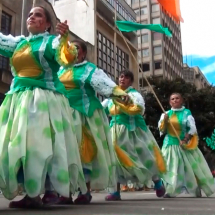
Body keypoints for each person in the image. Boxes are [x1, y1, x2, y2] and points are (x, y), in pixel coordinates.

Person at [0, 6, 87, 208]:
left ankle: (43, 191)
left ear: (48, 24)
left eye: (38, 14)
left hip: (43, 100)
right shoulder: (19, 43)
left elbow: (67, 59)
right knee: (15, 144)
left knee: (39, 145)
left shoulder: (53, 42)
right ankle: (31, 192)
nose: (31, 17)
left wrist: (65, 39)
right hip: (17, 99)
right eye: (30, 14)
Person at [57, 40, 129, 204]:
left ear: (83, 53)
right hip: (63, 113)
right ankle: (65, 192)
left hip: (85, 114)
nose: (71, 51)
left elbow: (105, 84)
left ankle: (85, 191)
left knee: (84, 151)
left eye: (76, 48)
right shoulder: (60, 70)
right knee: (64, 151)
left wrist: (118, 93)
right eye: (68, 48)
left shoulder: (90, 70)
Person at [102, 70, 166, 201]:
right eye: (121, 77)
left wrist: (125, 102)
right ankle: (115, 191)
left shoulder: (134, 94)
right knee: (115, 160)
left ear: (131, 81)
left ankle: (157, 182)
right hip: (115, 132)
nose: (122, 79)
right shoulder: (111, 97)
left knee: (145, 157)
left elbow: (140, 108)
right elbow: (101, 109)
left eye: (126, 78)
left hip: (134, 131)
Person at [158, 93, 215, 197]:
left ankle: (196, 189)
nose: (175, 100)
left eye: (177, 98)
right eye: (172, 99)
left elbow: (192, 128)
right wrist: (164, 121)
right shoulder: (165, 114)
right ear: (170, 102)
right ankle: (170, 191)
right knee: (171, 167)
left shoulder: (186, 113)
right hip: (170, 145)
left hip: (184, 144)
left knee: (192, 169)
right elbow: (162, 130)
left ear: (182, 100)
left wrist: (185, 138)